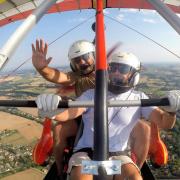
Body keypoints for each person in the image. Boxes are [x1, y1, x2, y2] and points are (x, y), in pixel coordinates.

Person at [35, 52, 179, 180]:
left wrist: (171, 111)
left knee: (134, 177)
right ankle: (62, 171)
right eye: (113, 68)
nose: (116, 72)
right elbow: (69, 113)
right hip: (87, 154)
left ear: (133, 75)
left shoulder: (139, 98)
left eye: (122, 69)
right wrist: (52, 112)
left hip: (118, 156)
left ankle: (137, 168)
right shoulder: (92, 94)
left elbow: (165, 122)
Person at [32, 39, 96, 176]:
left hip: (110, 115)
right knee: (59, 129)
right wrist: (42, 68)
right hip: (82, 115)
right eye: (77, 60)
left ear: (94, 56)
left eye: (85, 57)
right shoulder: (78, 75)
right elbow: (58, 77)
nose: (82, 62)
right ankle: (60, 171)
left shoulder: (109, 72)